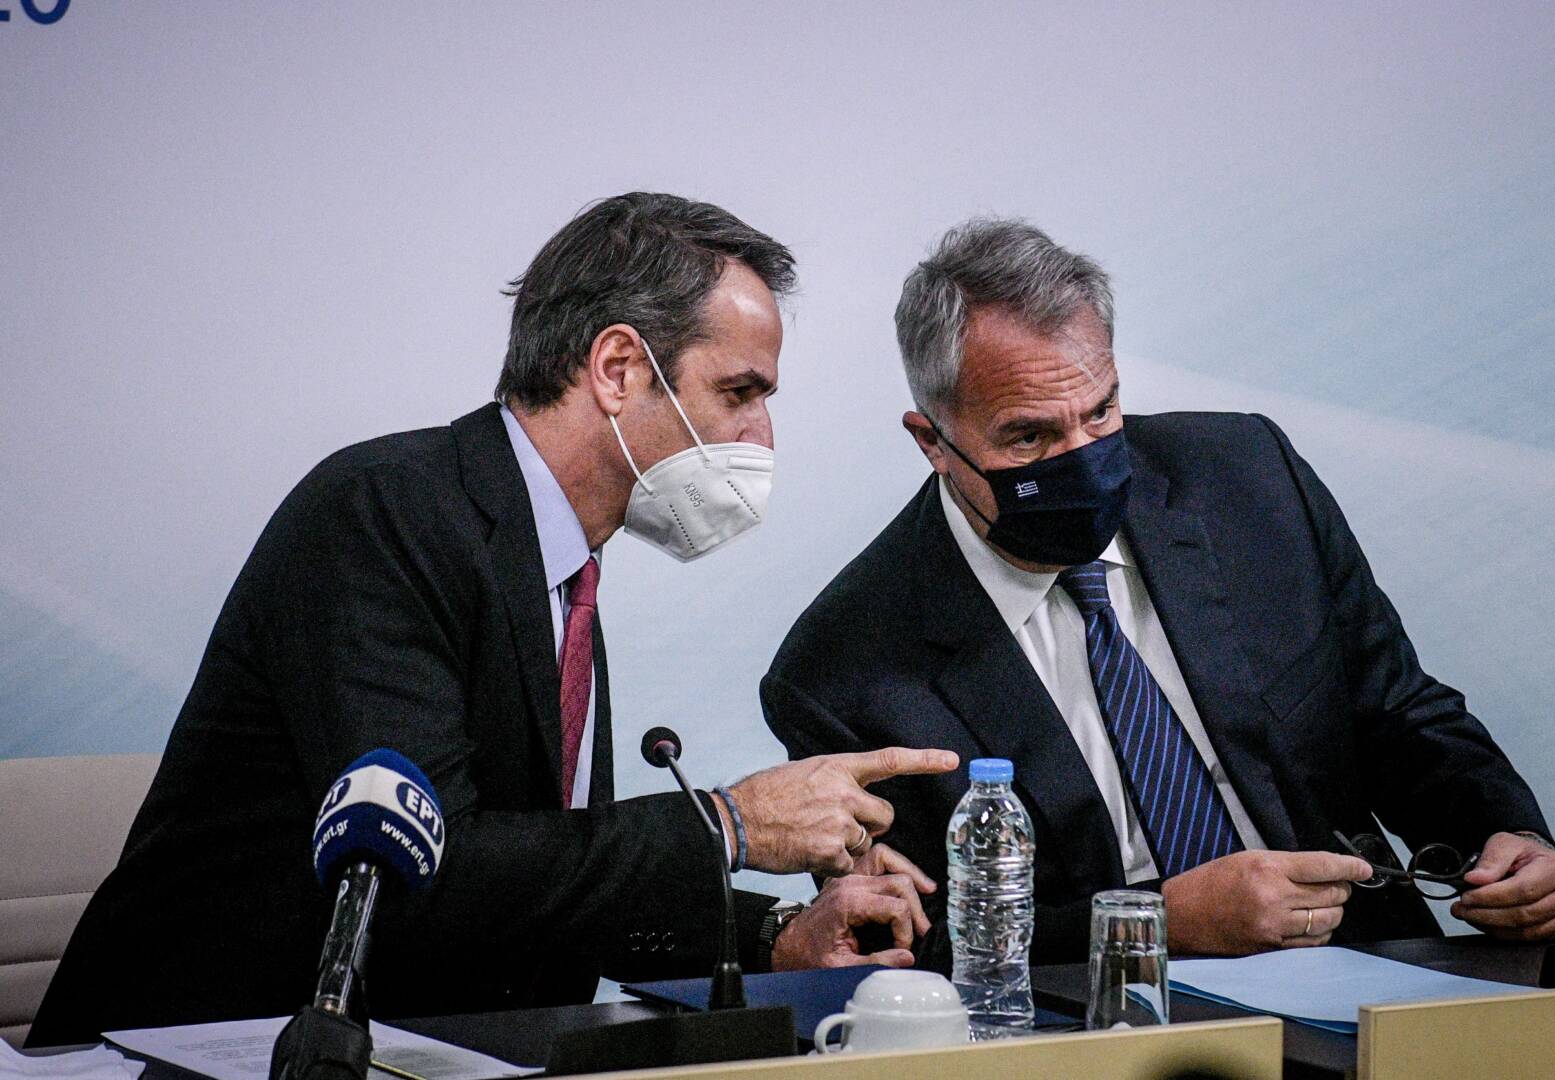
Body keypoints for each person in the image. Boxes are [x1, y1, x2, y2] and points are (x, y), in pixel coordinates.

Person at [28, 193, 958, 1047]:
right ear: (619, 369)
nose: (762, 437)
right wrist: (727, 824)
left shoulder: (560, 567)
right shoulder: (384, 512)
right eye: (739, 392)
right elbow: (422, 874)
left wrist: (775, 935)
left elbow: (552, 886)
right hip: (195, 1050)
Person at [761, 218, 1555, 964]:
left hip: (1362, 968)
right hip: (1088, 1027)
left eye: (1100, 412)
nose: (1080, 458)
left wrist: (1508, 838)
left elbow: (1398, 713)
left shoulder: (1247, 479)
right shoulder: (841, 669)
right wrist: (1158, 922)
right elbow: (918, 939)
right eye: (1029, 436)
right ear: (932, 441)